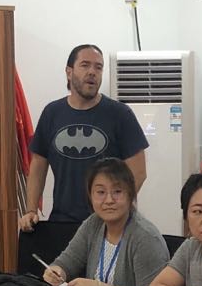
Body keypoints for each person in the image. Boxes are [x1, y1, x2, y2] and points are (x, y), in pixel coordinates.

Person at [19, 44, 148, 228]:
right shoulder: (52, 113)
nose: (92, 72)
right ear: (69, 72)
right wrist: (31, 210)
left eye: (98, 67)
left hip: (108, 226)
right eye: (85, 65)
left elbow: (139, 172)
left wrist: (114, 210)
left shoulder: (120, 114)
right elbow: (38, 165)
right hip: (62, 222)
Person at [40, 158, 170, 286]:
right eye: (101, 192)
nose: (109, 200)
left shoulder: (146, 238)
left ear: (130, 194)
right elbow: (66, 262)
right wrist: (56, 271)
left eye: (117, 191)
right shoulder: (93, 223)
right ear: (90, 195)